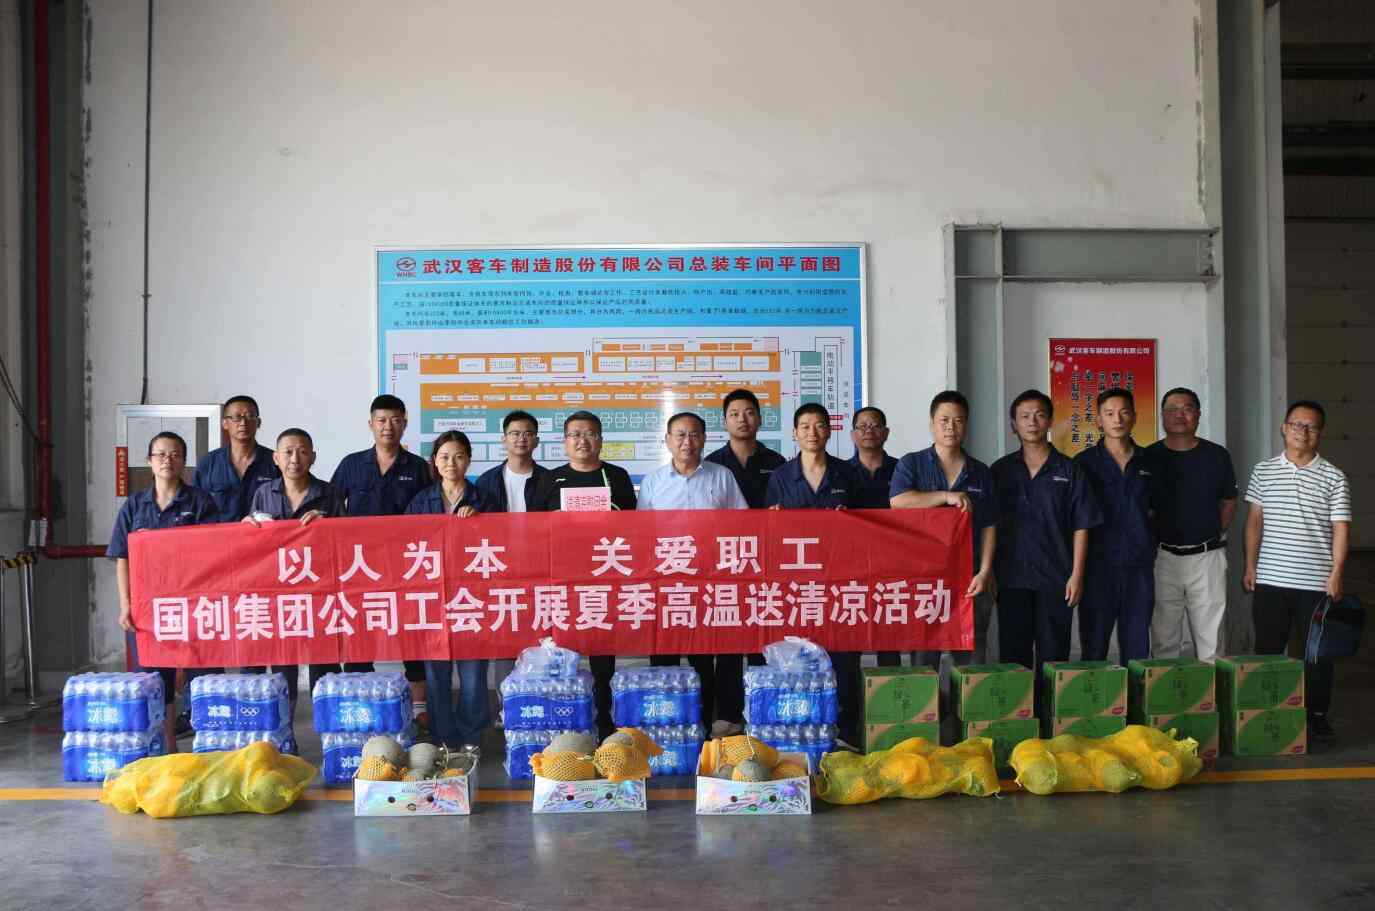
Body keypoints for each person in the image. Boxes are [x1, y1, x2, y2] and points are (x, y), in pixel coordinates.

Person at [1243, 400, 1351, 744]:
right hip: (1270, 580)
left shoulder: (1334, 477)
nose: (1302, 432)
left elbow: (1340, 529)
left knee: (1316, 654)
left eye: (1311, 426)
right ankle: (1265, 710)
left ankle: (1316, 716)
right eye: (1296, 424)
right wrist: (1250, 565)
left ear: (1321, 433)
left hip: (1315, 583)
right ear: (1284, 428)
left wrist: (1336, 573)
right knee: (1268, 648)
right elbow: (1255, 521)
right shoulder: (1263, 471)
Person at [638, 411, 749, 735]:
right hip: (667, 581)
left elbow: (742, 524)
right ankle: (668, 720)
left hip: (711, 579)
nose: (687, 442)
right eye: (680, 435)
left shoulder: (721, 476)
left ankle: (709, 720)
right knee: (665, 652)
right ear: (667, 440)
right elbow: (642, 532)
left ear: (704, 439)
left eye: (694, 434)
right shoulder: (654, 482)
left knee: (706, 653)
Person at [107, 431, 218, 752]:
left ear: (184, 461)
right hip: (148, 607)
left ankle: (209, 748)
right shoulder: (134, 506)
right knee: (157, 679)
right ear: (149, 461)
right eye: (160, 454)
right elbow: (122, 557)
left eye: (175, 455)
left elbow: (212, 553)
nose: (167, 460)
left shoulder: (200, 503)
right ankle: (167, 748)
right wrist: (125, 604)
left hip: (193, 605)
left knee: (204, 675)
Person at [530, 410, 636, 739]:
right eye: (575, 434)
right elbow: (533, 529)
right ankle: (565, 724)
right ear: (565, 442)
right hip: (562, 579)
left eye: (590, 434)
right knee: (564, 652)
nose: (582, 441)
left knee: (603, 656)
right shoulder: (549, 479)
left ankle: (605, 723)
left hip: (604, 576)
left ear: (600, 440)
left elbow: (634, 525)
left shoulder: (616, 476)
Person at [991, 390, 1101, 703]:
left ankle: (1051, 719)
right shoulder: (1000, 471)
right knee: (1013, 656)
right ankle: (1018, 717)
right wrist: (990, 573)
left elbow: (1082, 525)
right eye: (1024, 416)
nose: (1032, 422)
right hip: (1011, 578)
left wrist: (1077, 575)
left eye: (1039, 415)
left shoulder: (1069, 470)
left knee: (1054, 656)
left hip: (1056, 578)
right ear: (1013, 424)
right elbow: (989, 526)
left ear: (1050, 421)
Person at [767, 403, 863, 749]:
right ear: (795, 433)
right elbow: (767, 531)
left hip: (839, 580)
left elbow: (869, 526)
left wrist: (850, 518)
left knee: (844, 654)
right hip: (796, 583)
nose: (812, 432)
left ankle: (847, 729)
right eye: (805, 426)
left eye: (819, 425)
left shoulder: (847, 473)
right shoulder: (780, 477)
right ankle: (802, 727)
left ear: (829, 431)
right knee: (799, 653)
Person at [330, 394, 433, 717]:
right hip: (360, 569)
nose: (388, 426)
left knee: (412, 635)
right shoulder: (351, 465)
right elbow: (331, 508)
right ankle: (363, 705)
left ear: (404, 424)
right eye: (381, 420)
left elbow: (430, 513)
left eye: (395, 420)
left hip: (406, 568)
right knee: (360, 635)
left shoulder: (418, 468)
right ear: (371, 424)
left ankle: (419, 709)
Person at [889, 390, 999, 674]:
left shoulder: (981, 471)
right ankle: (928, 705)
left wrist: (985, 571)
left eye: (958, 421)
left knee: (972, 660)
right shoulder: (912, 463)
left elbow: (989, 525)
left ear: (967, 425)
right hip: (924, 579)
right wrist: (945, 496)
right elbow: (898, 502)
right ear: (932, 423)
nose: (951, 427)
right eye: (944, 420)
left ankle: (967, 705)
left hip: (970, 579)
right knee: (923, 663)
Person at [240, 428, 346, 717]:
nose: (295, 458)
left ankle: (328, 724)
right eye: (288, 452)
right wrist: (247, 526)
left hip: (319, 591)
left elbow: (346, 541)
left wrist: (328, 525)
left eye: (302, 451)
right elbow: (254, 542)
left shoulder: (329, 493)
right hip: (278, 593)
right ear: (276, 458)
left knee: (324, 662)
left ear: (313, 457)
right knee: (282, 662)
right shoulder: (264, 493)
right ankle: (284, 728)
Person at [704, 388, 785, 731]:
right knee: (727, 638)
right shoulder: (711, 464)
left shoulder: (776, 463)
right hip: (723, 562)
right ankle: (727, 713)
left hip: (765, 561)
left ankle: (762, 710)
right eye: (735, 414)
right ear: (725, 421)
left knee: (762, 635)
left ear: (760, 419)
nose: (742, 419)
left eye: (749, 412)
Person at [407, 430, 492, 750]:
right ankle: (443, 737)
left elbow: (501, 542)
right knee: (436, 673)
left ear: (468, 460)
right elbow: (406, 543)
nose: (451, 463)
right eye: (444, 457)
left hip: (472, 596)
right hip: (433, 597)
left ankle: (471, 737)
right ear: (435, 461)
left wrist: (480, 521)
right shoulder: (421, 500)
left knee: (473, 673)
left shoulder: (483, 499)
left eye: (458, 456)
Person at [1145, 387, 1238, 662]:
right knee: (1163, 638)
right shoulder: (1148, 457)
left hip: (1207, 557)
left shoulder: (1217, 455)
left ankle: (1213, 689)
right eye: (1172, 410)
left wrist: (1211, 534)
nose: (1179, 415)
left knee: (1212, 641)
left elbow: (1229, 501)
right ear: (1162, 415)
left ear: (1198, 414)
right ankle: (1165, 689)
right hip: (1161, 557)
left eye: (1187, 409)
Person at [475, 409, 551, 727]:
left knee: (540, 638)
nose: (521, 439)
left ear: (536, 440)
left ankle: (540, 701)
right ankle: (506, 706)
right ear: (503, 439)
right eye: (515, 433)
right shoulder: (487, 481)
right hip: (500, 571)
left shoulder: (549, 480)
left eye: (528, 433)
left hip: (539, 569)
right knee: (504, 638)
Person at [1074, 388, 1155, 664]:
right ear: (1098, 420)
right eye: (1109, 414)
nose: (1117, 419)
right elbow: (1076, 518)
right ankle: (1095, 694)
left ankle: (1135, 694)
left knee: (1137, 648)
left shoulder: (1150, 461)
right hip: (1097, 569)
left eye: (1124, 413)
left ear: (1134, 417)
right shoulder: (1083, 464)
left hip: (1139, 568)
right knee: (1094, 647)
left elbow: (1159, 509)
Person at [192, 394, 279, 524]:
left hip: (262, 534)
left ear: (258, 422)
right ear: (225, 423)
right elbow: (194, 507)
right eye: (236, 417)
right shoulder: (208, 463)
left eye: (250, 416)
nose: (243, 423)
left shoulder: (275, 461)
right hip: (221, 535)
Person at [849, 406, 899, 509]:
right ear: (853, 435)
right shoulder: (840, 471)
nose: (869, 431)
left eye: (875, 426)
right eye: (862, 426)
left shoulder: (902, 469)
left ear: (886, 433)